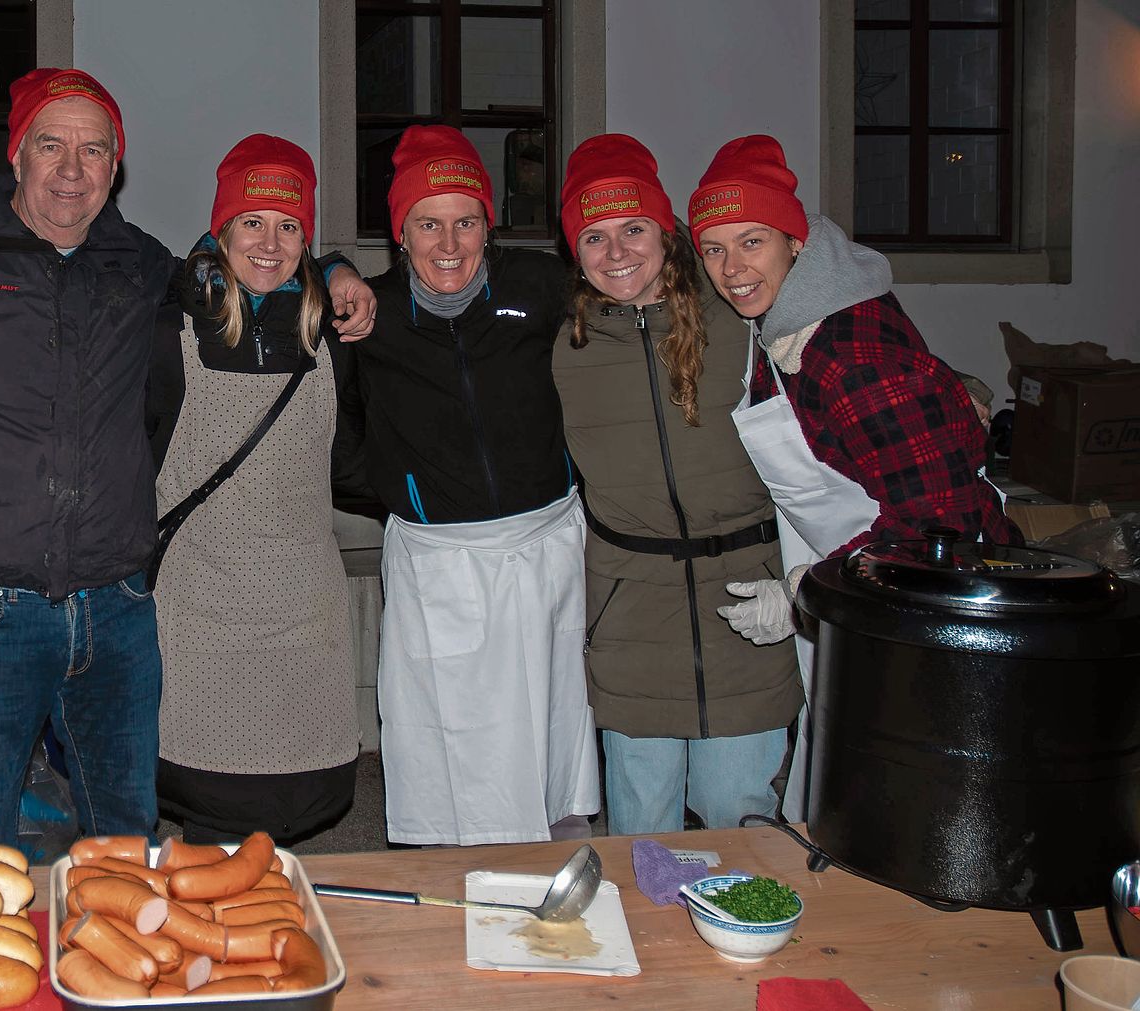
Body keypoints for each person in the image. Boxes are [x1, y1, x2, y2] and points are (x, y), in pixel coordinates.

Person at [0, 69, 378, 850]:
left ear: (115, 164)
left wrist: (333, 266)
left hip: (114, 603)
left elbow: (243, 269)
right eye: (52, 146)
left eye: (93, 150)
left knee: (125, 840)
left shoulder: (138, 264)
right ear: (17, 153)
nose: (72, 169)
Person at [688, 135, 1013, 819]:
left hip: (935, 608)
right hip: (873, 593)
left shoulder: (845, 353)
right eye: (713, 249)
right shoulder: (789, 320)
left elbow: (938, 524)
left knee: (912, 802)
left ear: (795, 242)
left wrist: (806, 587)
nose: (732, 268)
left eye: (752, 242)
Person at [332, 124, 598, 846]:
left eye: (466, 222)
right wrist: (401, 489)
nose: (448, 244)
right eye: (428, 224)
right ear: (400, 233)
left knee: (547, 719)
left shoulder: (539, 287)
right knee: (452, 729)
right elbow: (342, 427)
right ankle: (454, 866)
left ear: (489, 225)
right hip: (438, 558)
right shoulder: (370, 314)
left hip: (543, 547)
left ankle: (552, 852)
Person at [550, 134, 801, 835]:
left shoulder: (742, 314)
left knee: (737, 813)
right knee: (642, 823)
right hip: (630, 604)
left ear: (667, 232)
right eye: (594, 237)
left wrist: (957, 386)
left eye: (633, 228)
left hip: (745, 593)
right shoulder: (563, 339)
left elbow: (842, 338)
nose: (616, 253)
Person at [144, 134, 358, 846]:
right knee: (208, 792)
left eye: (289, 226)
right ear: (222, 230)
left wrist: (343, 270)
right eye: (252, 222)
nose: (269, 243)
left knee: (289, 790)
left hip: (301, 609)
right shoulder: (167, 326)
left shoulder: (333, 335)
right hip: (199, 610)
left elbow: (356, 456)